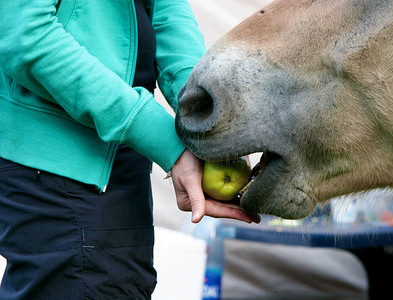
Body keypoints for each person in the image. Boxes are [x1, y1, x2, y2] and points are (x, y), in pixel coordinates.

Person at [0, 0, 255, 298]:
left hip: (124, 162)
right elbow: (26, 34)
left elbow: (167, 13)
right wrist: (165, 140)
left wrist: (210, 120)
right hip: (53, 168)